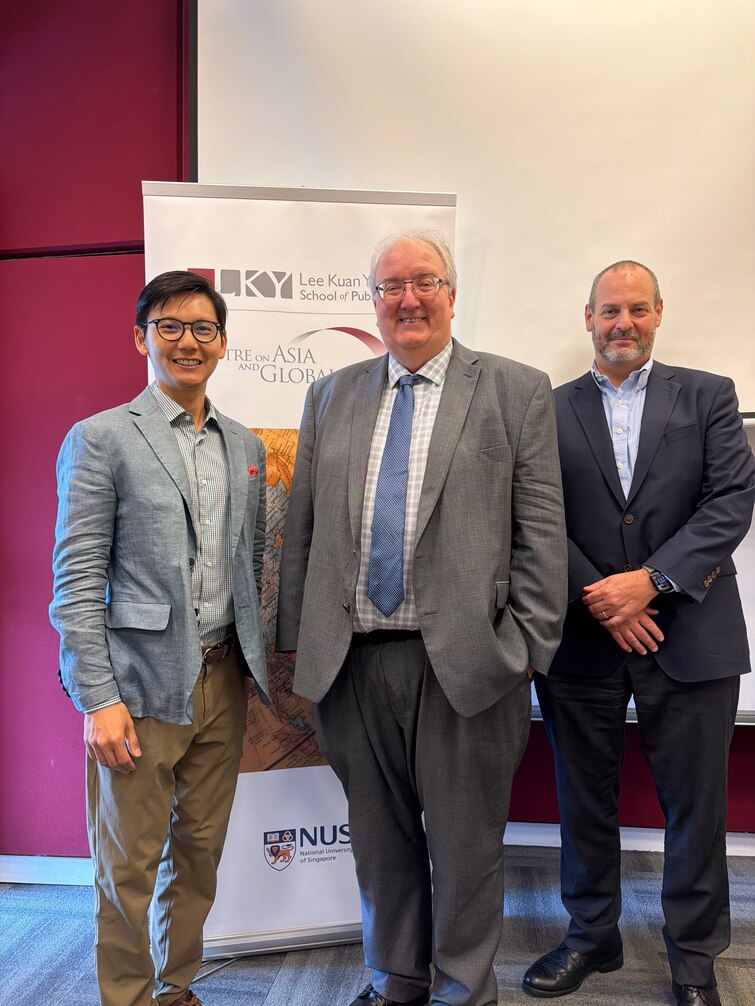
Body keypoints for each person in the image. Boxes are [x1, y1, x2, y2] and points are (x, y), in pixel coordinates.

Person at [276, 229, 567, 1006]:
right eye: (390, 286)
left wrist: (525, 648)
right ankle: (396, 978)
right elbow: (303, 529)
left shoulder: (513, 389)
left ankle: (462, 989)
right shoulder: (330, 394)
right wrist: (300, 642)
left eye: (424, 282)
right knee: (379, 843)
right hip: (352, 662)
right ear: (372, 300)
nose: (407, 299)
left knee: (466, 850)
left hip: (468, 666)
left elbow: (541, 533)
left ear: (451, 293)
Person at [523, 261, 755, 1006]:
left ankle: (694, 961)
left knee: (695, 809)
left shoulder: (709, 395)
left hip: (691, 630)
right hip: (581, 631)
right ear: (586, 318)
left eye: (636, 309)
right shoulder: (542, 407)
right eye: (608, 310)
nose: (622, 323)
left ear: (658, 312)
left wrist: (649, 583)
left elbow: (731, 500)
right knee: (582, 798)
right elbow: (532, 512)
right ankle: (591, 936)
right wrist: (603, 597)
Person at [50, 271, 268, 1006]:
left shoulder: (244, 445)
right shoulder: (101, 438)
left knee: (199, 852)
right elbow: (77, 579)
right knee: (128, 863)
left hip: (223, 678)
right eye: (168, 327)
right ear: (140, 338)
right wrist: (97, 699)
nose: (187, 342)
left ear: (223, 343)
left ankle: (176, 989)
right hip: (137, 687)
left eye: (203, 328)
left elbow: (248, 563)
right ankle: (127, 996)